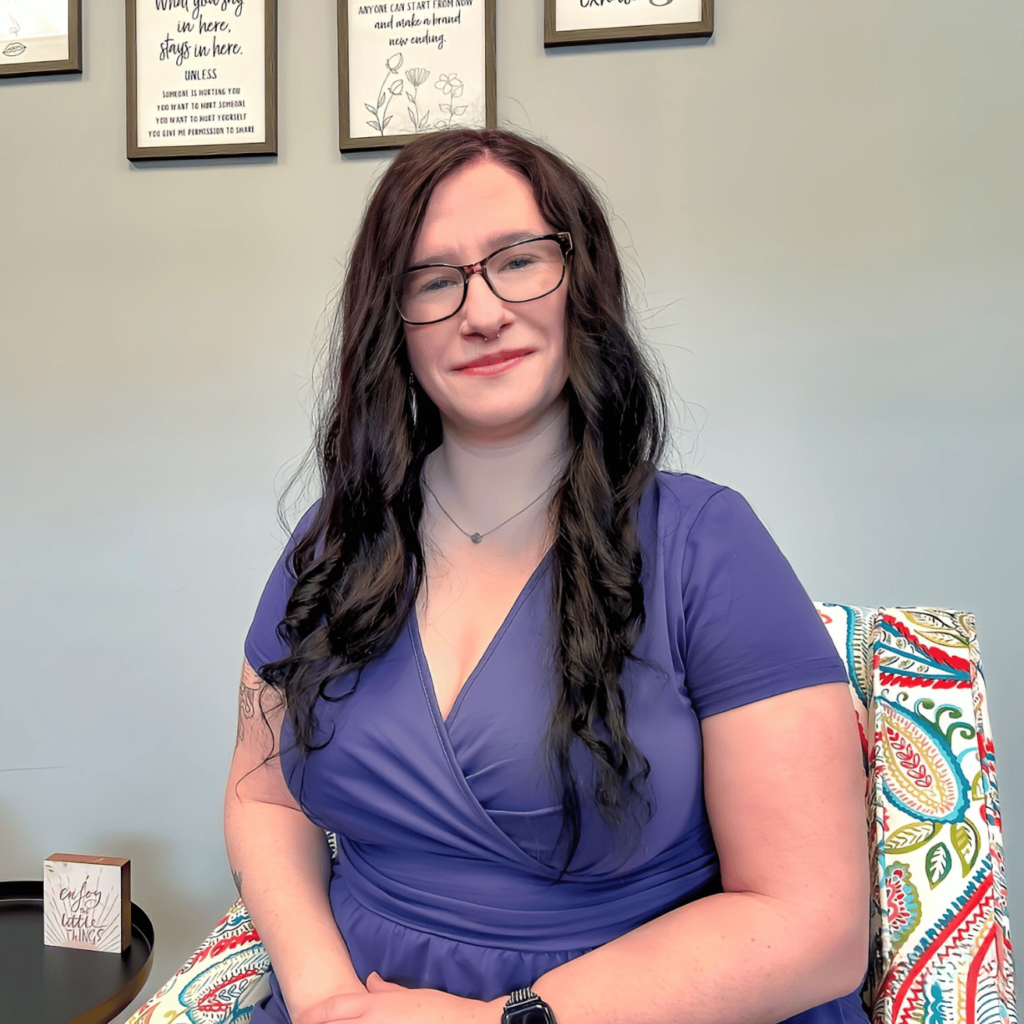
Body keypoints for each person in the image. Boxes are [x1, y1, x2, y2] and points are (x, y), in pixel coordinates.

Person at [225, 128, 870, 1024]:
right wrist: (327, 996)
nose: (480, 311)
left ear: (582, 282)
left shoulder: (707, 543)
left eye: (518, 261)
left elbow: (814, 924)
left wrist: (506, 1021)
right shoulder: (332, 544)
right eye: (434, 278)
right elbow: (262, 794)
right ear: (391, 320)